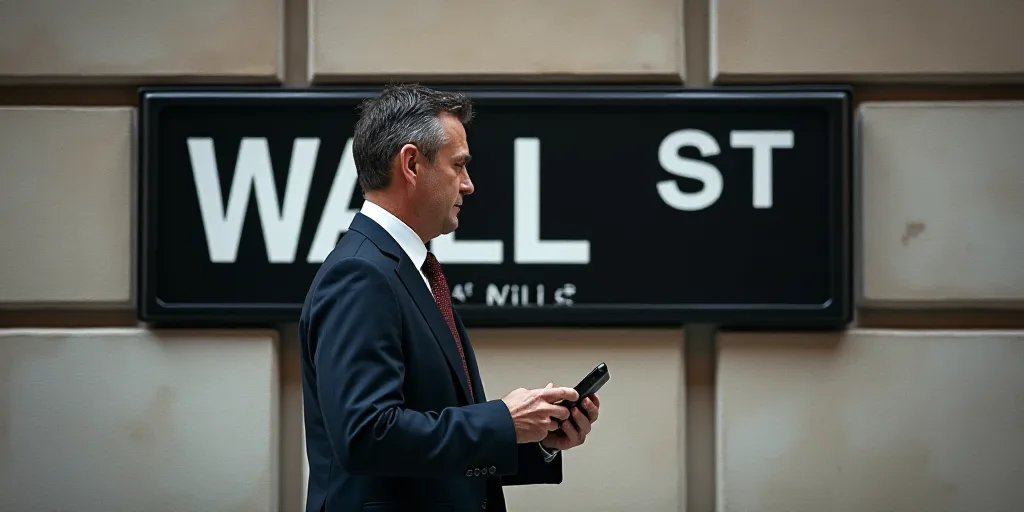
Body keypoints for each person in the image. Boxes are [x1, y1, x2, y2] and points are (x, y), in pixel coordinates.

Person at [298, 83, 602, 512]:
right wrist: (503, 421)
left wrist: (535, 439)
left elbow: (426, 443)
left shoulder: (409, 268)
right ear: (411, 164)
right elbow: (367, 434)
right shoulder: (361, 274)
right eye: (458, 165)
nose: (469, 185)